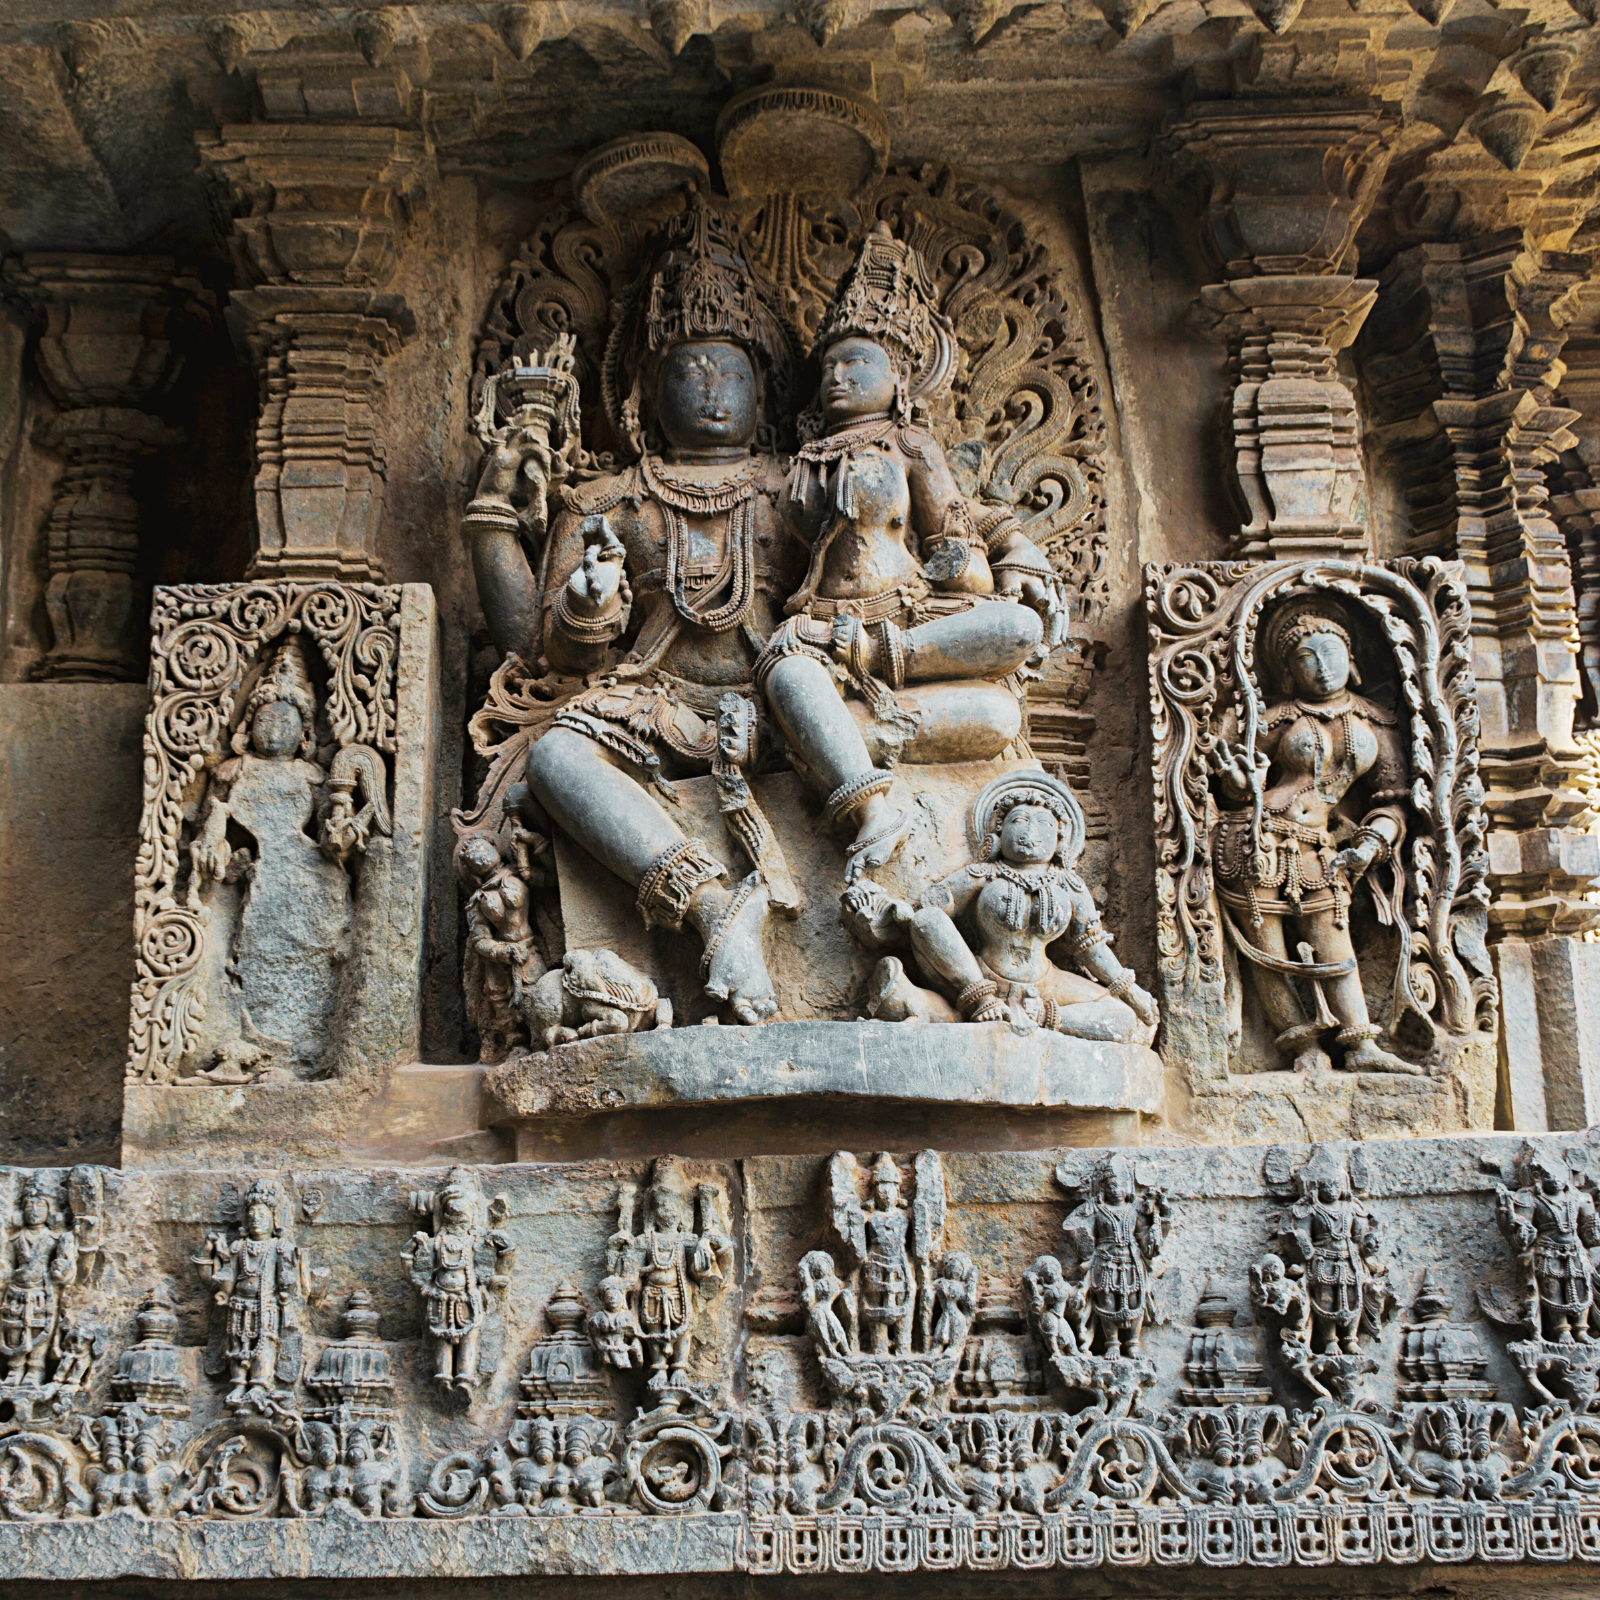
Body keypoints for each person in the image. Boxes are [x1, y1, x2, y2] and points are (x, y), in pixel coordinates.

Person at [466, 197, 805, 1025]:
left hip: (778, 705)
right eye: (688, 371)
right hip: (648, 706)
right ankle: (714, 909)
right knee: (554, 761)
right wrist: (585, 606)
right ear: (646, 394)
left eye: (731, 371)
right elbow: (538, 654)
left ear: (764, 387)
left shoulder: (799, 488)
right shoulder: (609, 501)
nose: (713, 389)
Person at [756, 223, 1066, 884]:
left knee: (1012, 652)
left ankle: (831, 737)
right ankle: (871, 809)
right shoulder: (798, 464)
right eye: (831, 367)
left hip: (912, 627)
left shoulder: (914, 445)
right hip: (826, 632)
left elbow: (959, 535)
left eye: (858, 364)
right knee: (784, 669)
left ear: (899, 377)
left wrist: (977, 557)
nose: (839, 377)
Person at [1209, 598, 1419, 1074]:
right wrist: (1240, 787)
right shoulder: (1274, 719)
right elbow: (1237, 780)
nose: (1322, 668)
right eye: (1306, 658)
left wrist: (1372, 841)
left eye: (1330, 652)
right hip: (1253, 840)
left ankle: (1361, 1045)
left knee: (1333, 938)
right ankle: (1302, 1048)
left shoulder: (1376, 721)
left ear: (1352, 657)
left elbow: (1392, 799)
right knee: (1269, 950)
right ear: (1288, 672)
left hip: (1324, 846)